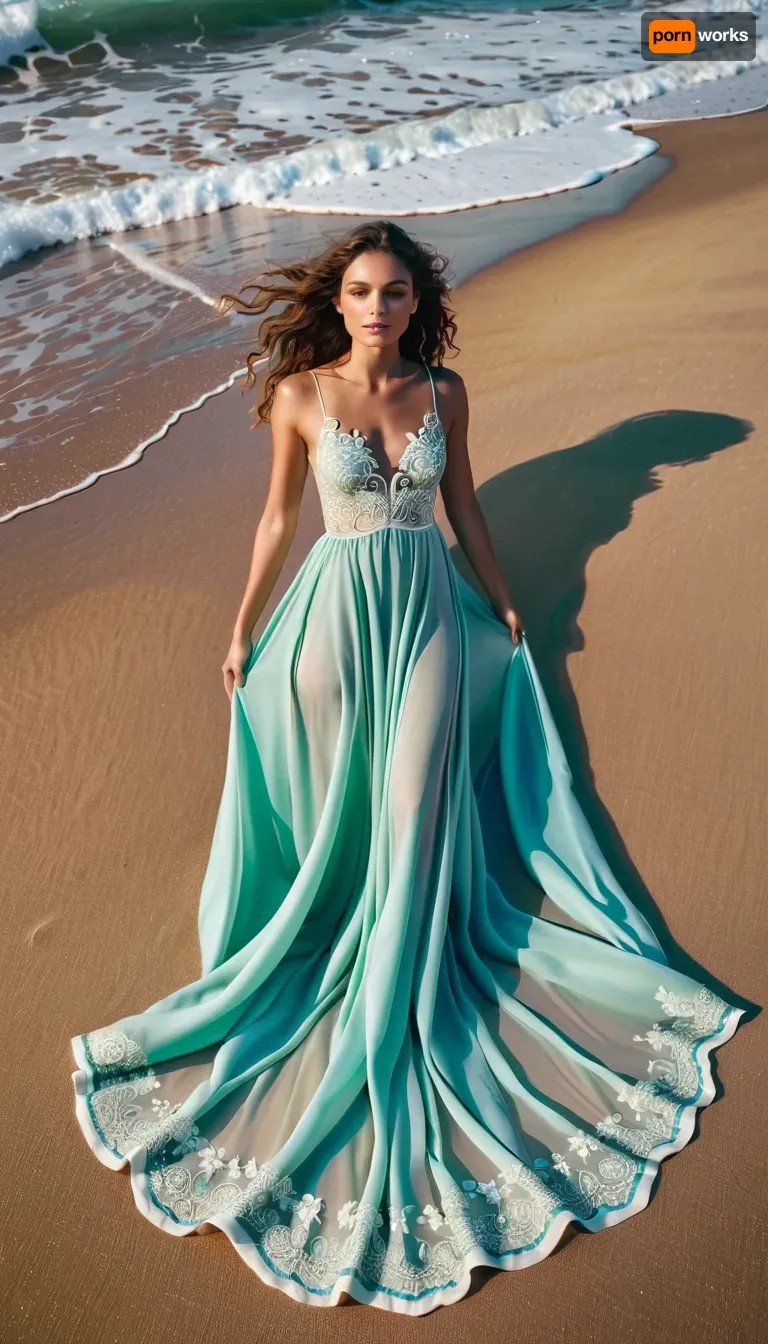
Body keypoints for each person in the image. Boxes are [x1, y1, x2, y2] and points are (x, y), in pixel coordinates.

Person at [70, 220, 745, 1316]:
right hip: (338, 621)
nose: (375, 306)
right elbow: (278, 520)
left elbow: (464, 504)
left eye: (392, 291)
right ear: (336, 303)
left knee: (417, 808)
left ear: (414, 302)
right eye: (358, 291)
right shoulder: (299, 396)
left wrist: (504, 592)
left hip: (429, 610)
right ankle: (340, 964)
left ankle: (398, 1001)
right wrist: (243, 630)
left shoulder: (446, 391)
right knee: (354, 816)